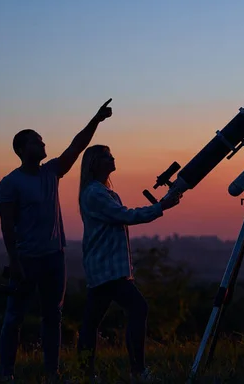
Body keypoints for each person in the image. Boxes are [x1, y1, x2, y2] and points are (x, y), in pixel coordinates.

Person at [0, 99, 114, 383]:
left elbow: (77, 146)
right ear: (22, 150)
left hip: (54, 257)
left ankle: (52, 373)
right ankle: (6, 374)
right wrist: (14, 262)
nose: (42, 143)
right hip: (26, 258)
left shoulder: (52, 172)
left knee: (53, 317)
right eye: (36, 141)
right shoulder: (10, 183)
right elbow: (7, 226)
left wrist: (96, 120)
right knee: (14, 318)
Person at [76, 144, 182, 383]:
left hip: (108, 266)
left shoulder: (104, 193)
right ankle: (137, 371)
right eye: (107, 156)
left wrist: (160, 206)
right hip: (107, 267)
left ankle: (84, 373)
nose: (113, 158)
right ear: (95, 163)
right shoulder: (95, 193)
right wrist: (161, 207)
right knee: (137, 308)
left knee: (91, 322)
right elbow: (126, 216)